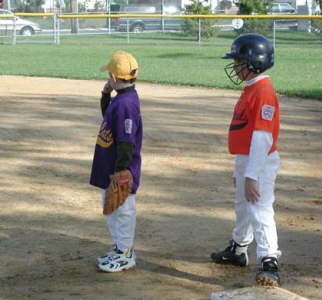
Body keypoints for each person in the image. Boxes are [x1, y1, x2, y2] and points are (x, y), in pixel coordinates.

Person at [210, 34, 281, 286]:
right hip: (246, 159)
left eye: (239, 61)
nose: (235, 66)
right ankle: (239, 249)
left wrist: (252, 175)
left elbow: (262, 138)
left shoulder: (263, 91)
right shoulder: (252, 88)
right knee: (242, 206)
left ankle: (269, 260)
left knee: (259, 209)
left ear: (254, 62)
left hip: (258, 163)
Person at [90, 50, 143, 273]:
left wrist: (121, 172)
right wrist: (105, 95)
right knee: (111, 208)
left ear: (113, 76)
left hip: (119, 169)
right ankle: (120, 246)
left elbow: (126, 140)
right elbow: (108, 118)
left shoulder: (126, 104)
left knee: (123, 210)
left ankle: (126, 252)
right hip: (109, 165)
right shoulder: (120, 100)